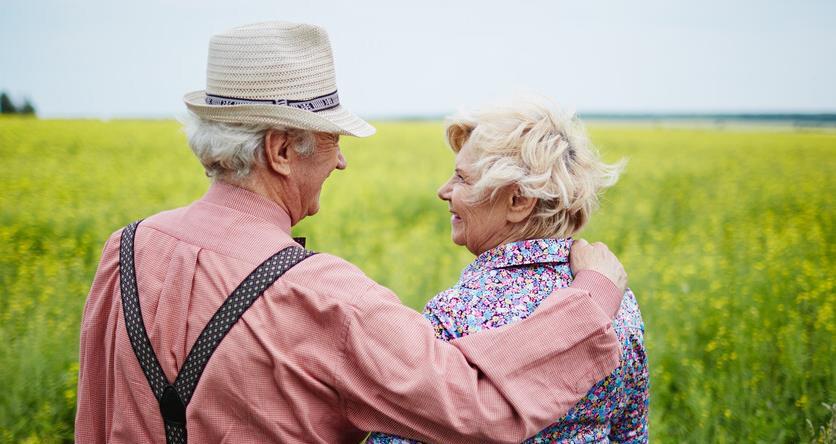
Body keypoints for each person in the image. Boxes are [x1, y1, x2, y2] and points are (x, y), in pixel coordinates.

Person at [75, 22, 629, 443]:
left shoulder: (124, 251)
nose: (341, 164)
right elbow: (475, 403)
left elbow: (93, 421)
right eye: (334, 141)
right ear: (282, 150)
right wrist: (594, 295)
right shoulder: (323, 296)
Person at [368, 98, 648, 443]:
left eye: (461, 178)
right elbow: (631, 432)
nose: (444, 191)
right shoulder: (617, 300)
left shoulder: (454, 317)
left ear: (517, 202)